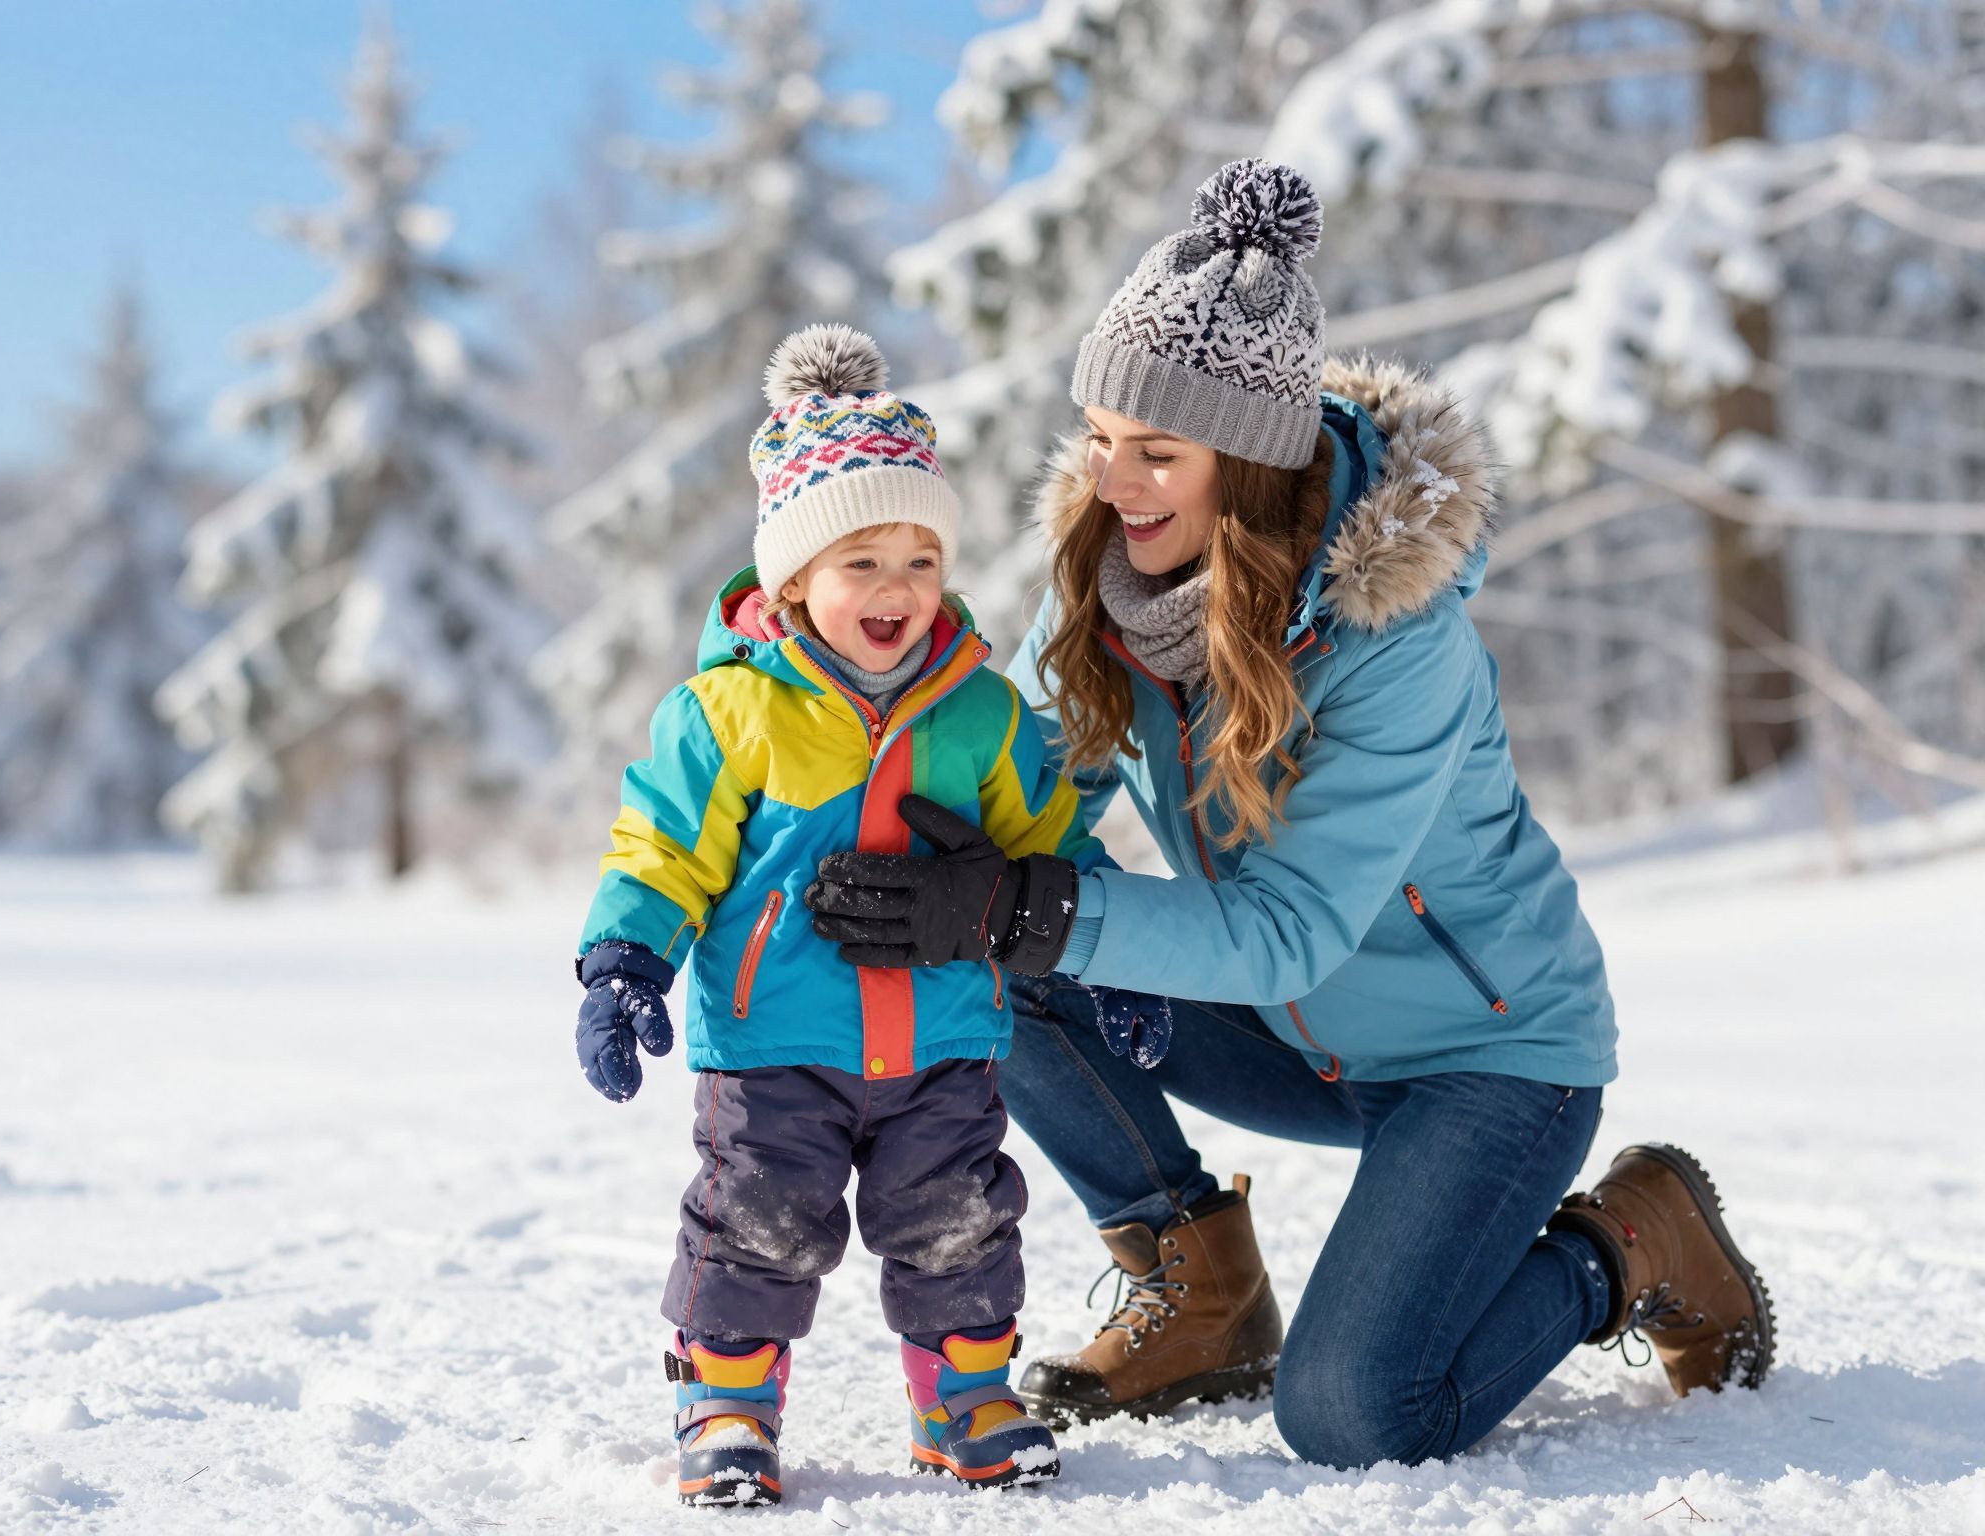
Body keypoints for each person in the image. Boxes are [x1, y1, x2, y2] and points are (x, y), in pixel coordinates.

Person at [804, 162, 1774, 1469]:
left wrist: (1044, 906)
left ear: (1251, 467)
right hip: (1288, 1036)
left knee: (1356, 1413)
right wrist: (844, 820)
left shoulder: (1398, 638)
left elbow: (1289, 932)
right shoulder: (1108, 579)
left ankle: (1633, 1236)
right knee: (996, 952)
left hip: (1488, 1062)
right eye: (1099, 435)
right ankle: (1195, 1286)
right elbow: (1019, 795)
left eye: (1158, 452)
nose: (1113, 479)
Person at [570, 324, 1168, 1505]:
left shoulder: (984, 713)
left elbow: (1051, 843)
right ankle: (727, 1401)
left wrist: (1112, 959)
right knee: (756, 1222)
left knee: (957, 1221)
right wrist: (624, 957)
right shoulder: (727, 712)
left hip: (943, 1038)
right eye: (860, 563)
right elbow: (661, 845)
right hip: (776, 1040)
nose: (894, 591)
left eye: (918, 561)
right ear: (790, 579)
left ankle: (965, 1400)